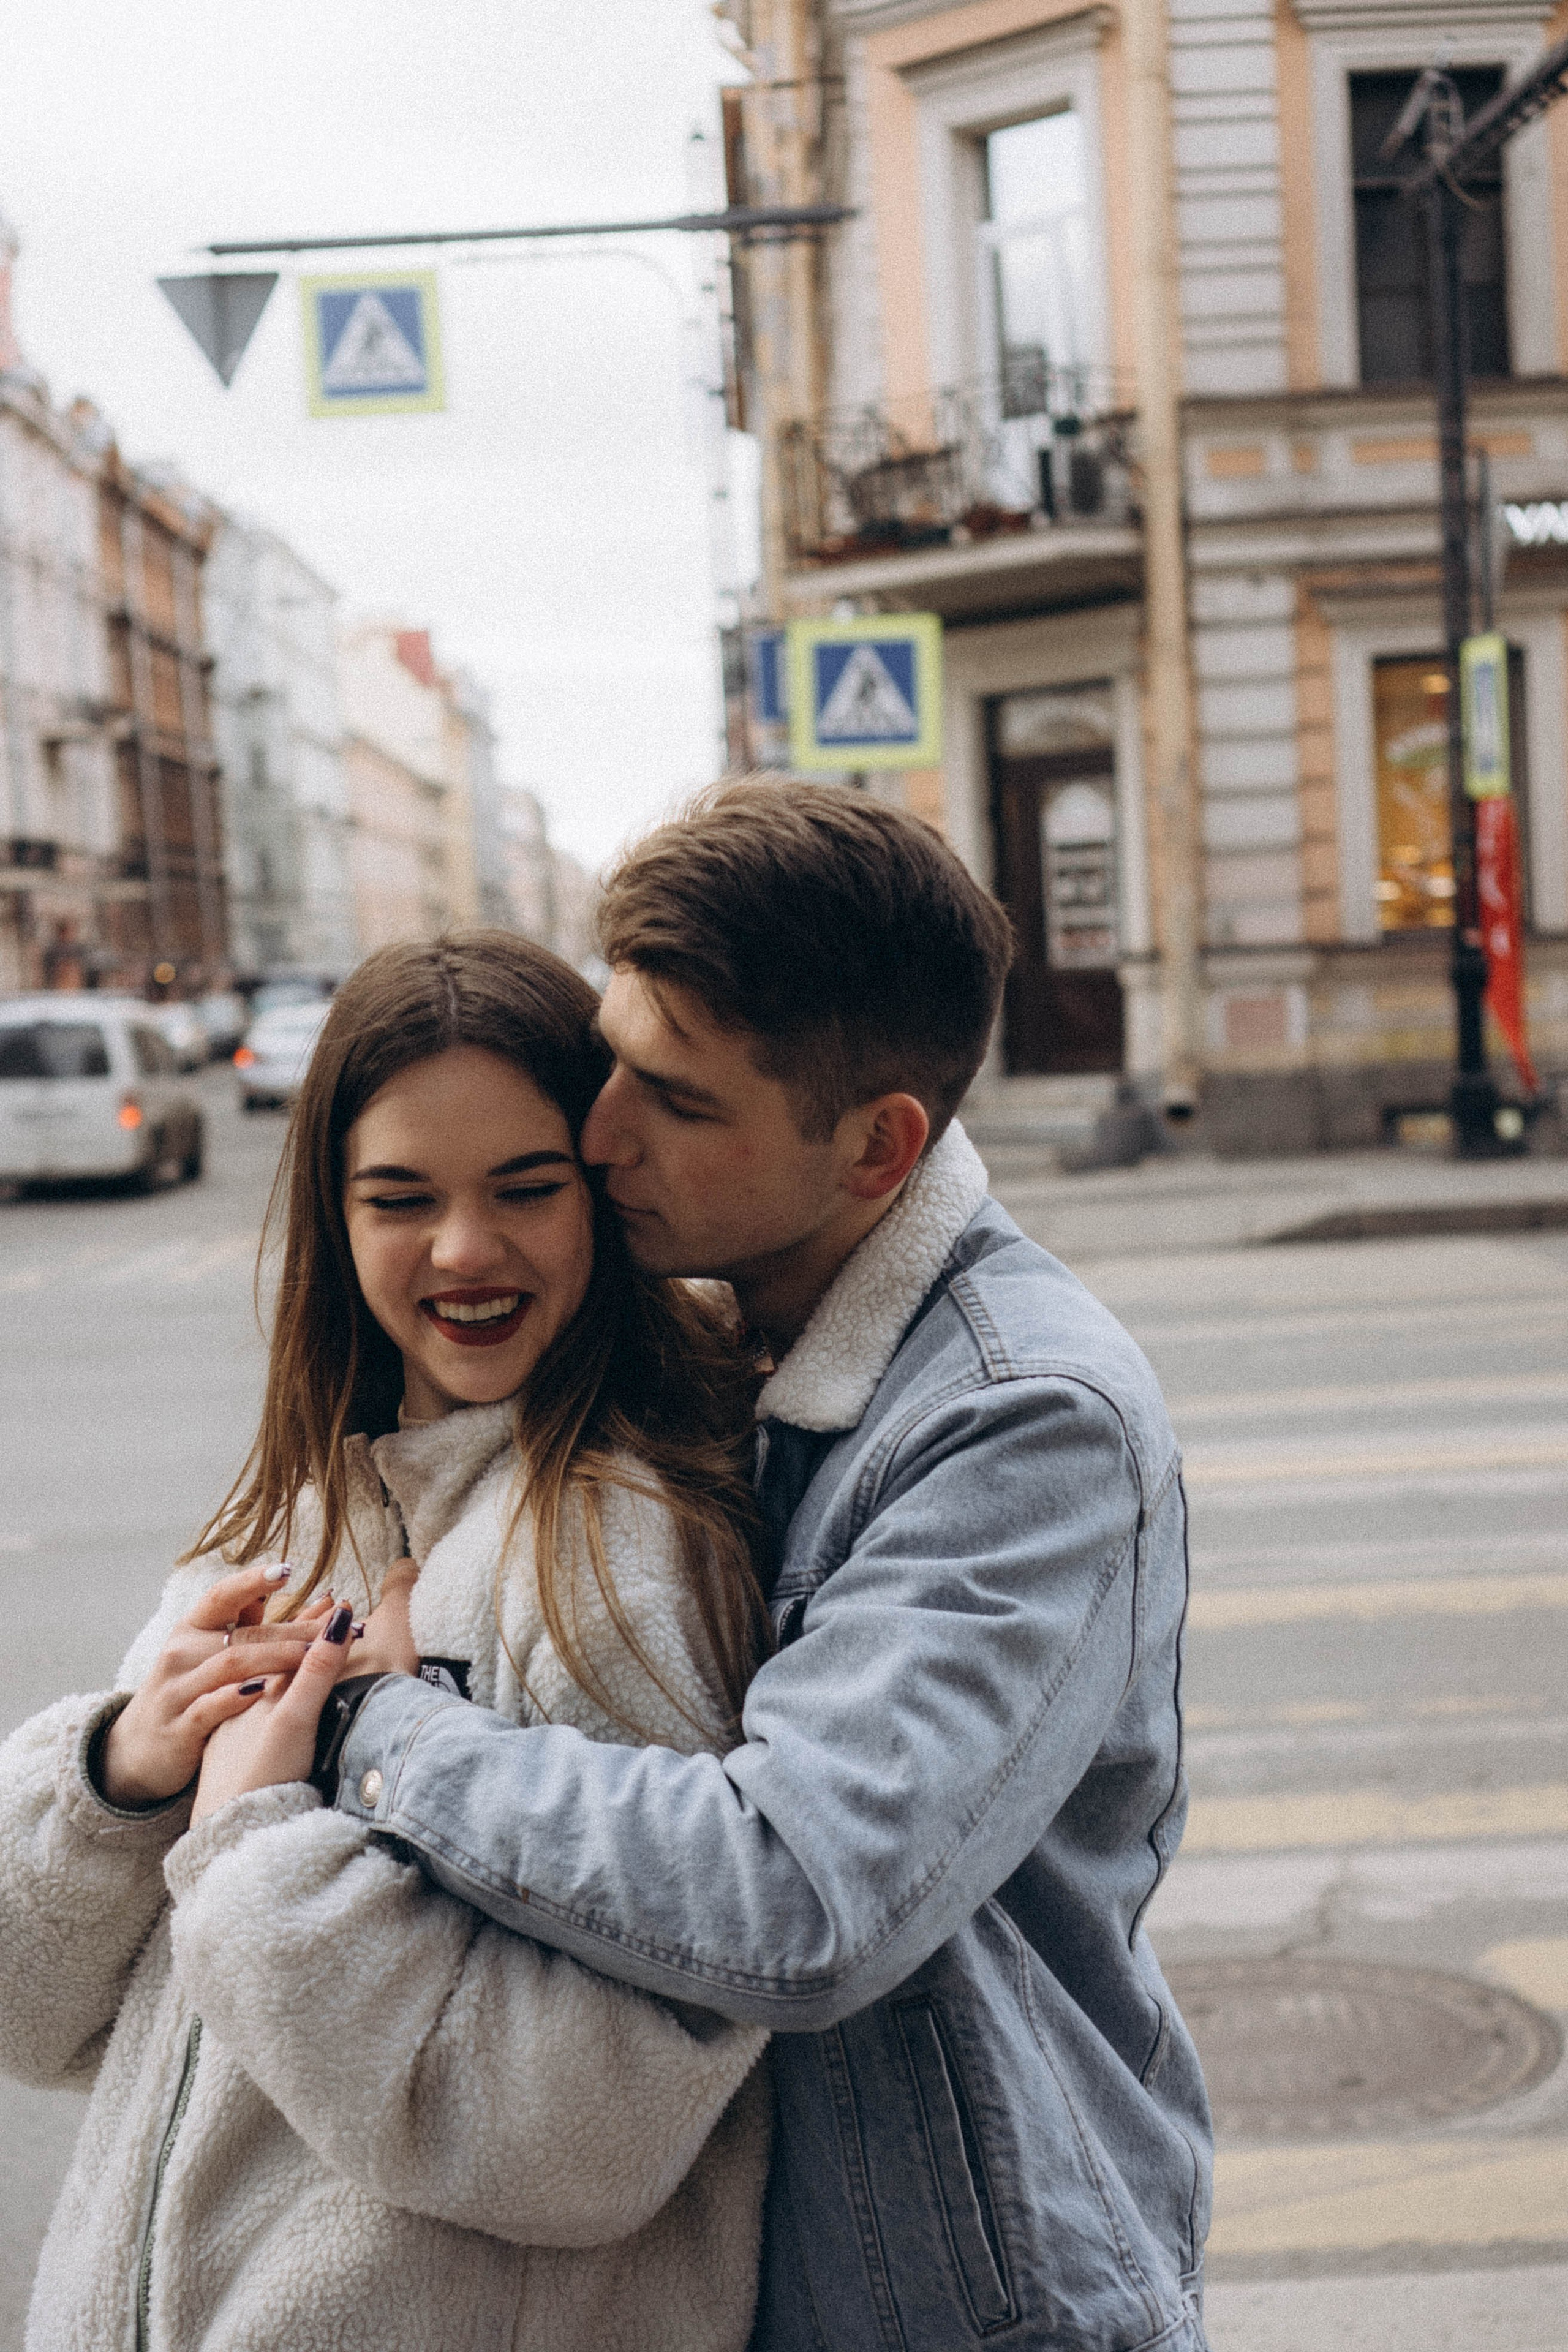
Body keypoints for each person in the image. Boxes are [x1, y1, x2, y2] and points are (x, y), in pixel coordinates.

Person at [323, 782, 1216, 2352]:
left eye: (674, 1099)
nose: (597, 1137)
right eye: (611, 1060)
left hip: (966, 2305)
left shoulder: (1022, 1417)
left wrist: (376, 1738)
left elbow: (798, 1893)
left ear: (875, 1147)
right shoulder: (730, 1329)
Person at [0, 935, 775, 2352]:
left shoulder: (619, 1561)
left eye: (526, 1190)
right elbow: (30, 2022)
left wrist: (253, 1847)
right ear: (333, 1218)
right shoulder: (288, 1524)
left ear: (602, 1194)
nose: (464, 1249)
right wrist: (114, 1778)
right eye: (400, 1198)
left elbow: (587, 2134)